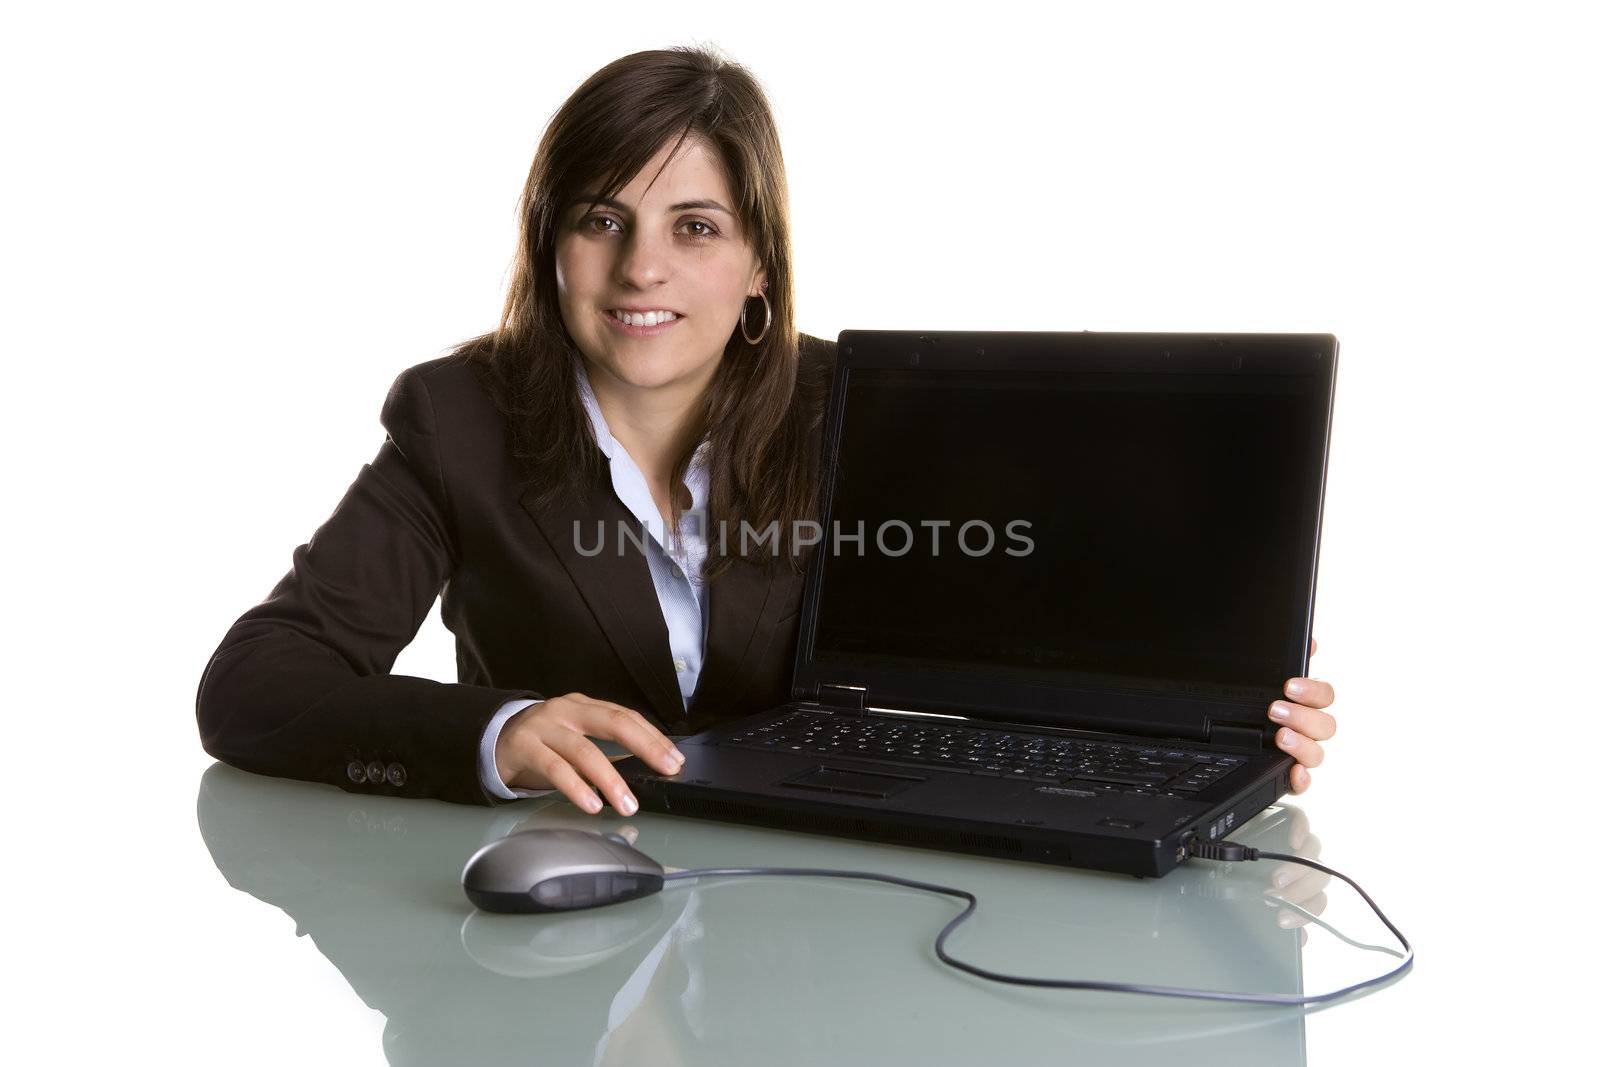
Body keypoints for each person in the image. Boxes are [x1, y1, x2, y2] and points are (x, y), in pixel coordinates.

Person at [195, 45, 1338, 817]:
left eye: (695, 226)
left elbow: (1002, 655)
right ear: (552, 247)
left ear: (756, 269)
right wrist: (498, 732)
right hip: (557, 923)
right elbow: (253, 685)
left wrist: (1207, 729)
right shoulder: (456, 420)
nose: (642, 266)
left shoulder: (862, 409)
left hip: (832, 899)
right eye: (602, 220)